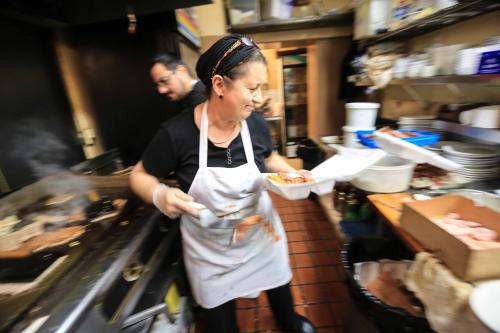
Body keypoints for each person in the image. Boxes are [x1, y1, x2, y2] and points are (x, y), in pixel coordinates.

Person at [131, 34, 316, 333]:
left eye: (261, 88)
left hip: (261, 240)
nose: (258, 99)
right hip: (210, 255)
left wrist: (292, 174)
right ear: (219, 85)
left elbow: (269, 158)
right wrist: (159, 194)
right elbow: (138, 176)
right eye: (252, 88)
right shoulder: (176, 134)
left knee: (285, 307)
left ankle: (289, 321)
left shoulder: (254, 122)